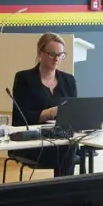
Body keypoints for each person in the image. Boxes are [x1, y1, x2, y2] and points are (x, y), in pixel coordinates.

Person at [9, 32, 80, 177]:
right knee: (67, 150)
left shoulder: (68, 80)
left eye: (60, 55)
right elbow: (20, 118)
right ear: (40, 53)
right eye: (52, 54)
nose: (57, 59)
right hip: (34, 140)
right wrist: (51, 112)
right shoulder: (24, 78)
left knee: (75, 147)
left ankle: (69, 192)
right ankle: (63, 193)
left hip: (62, 137)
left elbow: (74, 114)